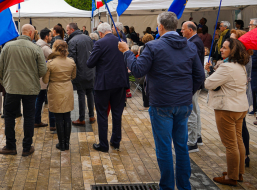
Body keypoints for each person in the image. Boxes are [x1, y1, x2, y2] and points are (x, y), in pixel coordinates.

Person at [118, 11, 205, 190]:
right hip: (182, 103)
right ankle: (183, 185)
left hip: (162, 104)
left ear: (161, 27)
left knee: (164, 147)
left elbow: (137, 70)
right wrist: (187, 93)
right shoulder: (189, 47)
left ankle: (167, 186)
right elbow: (200, 76)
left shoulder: (154, 46)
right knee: (181, 146)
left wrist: (127, 52)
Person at [0, 24, 47, 157]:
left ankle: (10, 146)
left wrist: (5, 83)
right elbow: (43, 70)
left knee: (9, 116)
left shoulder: (7, 47)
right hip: (30, 88)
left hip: (12, 88)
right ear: (31, 33)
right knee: (29, 117)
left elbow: (0, 68)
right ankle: (26, 147)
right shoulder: (36, 48)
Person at [205, 38, 249, 186]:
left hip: (227, 109)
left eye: (225, 48)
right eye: (222, 47)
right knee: (238, 141)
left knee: (230, 144)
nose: (221, 50)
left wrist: (210, 73)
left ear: (233, 50)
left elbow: (208, 83)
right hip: (240, 107)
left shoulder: (227, 67)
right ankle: (238, 172)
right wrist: (213, 71)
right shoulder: (240, 65)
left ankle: (231, 177)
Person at [87, 22, 129, 152]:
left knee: (102, 114)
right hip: (120, 82)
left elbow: (90, 63)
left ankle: (103, 144)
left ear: (100, 33)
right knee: (117, 113)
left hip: (104, 84)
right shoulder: (121, 41)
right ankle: (115, 141)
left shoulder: (100, 43)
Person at [43, 40, 76, 151]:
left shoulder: (51, 63)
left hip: (55, 89)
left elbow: (45, 79)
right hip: (67, 88)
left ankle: (61, 144)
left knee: (58, 117)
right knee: (67, 117)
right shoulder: (71, 61)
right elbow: (73, 76)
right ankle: (67, 143)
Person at [181, 21, 205, 153]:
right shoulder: (196, 40)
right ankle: (198, 137)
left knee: (192, 112)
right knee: (196, 110)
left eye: (183, 29)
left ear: (190, 30)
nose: (181, 31)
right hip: (195, 81)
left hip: (193, 82)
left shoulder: (194, 42)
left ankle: (192, 142)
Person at [230, 29, 252, 167]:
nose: (229, 42)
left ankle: (245, 155)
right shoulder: (238, 57)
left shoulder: (244, 59)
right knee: (239, 127)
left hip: (241, 96)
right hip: (237, 97)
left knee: (241, 127)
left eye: (232, 40)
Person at [66, 23, 95, 126]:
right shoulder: (88, 38)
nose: (67, 32)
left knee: (81, 94)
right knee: (89, 93)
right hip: (90, 70)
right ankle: (91, 116)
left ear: (72, 30)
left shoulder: (72, 41)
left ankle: (82, 118)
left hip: (80, 71)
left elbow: (72, 59)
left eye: (68, 30)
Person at [35, 28, 55, 130]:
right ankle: (39, 121)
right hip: (44, 78)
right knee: (42, 99)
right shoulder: (45, 48)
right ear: (46, 36)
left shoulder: (36, 44)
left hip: (37, 77)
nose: (51, 37)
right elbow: (54, 58)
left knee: (39, 99)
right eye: (50, 36)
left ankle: (36, 120)